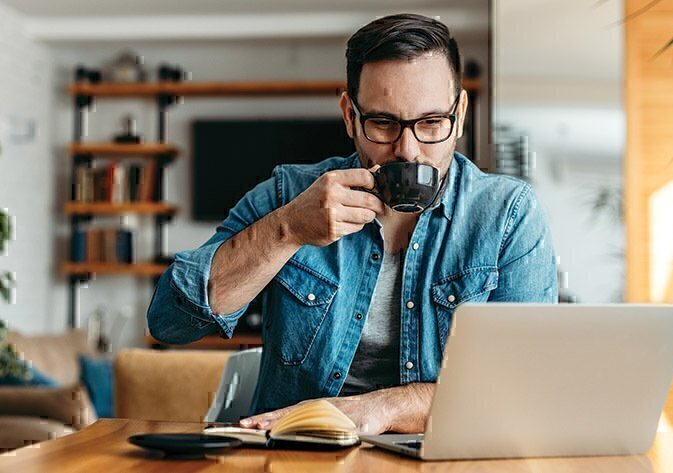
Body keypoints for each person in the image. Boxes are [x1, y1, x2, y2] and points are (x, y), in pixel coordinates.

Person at [147, 13, 557, 435]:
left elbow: (523, 386)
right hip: (300, 457)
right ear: (349, 115)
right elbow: (170, 322)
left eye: (432, 123)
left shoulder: (508, 215)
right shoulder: (290, 195)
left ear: (461, 113)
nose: (408, 151)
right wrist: (287, 231)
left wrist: (382, 409)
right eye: (383, 123)